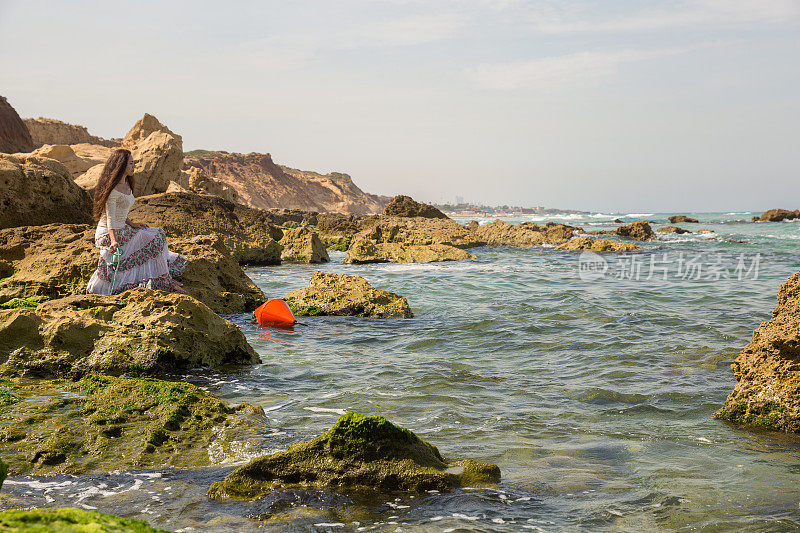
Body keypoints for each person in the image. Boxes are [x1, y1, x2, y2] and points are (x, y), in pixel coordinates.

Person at [86, 148, 188, 295]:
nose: (134, 167)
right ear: (121, 166)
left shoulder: (127, 183)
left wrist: (132, 224)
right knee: (155, 237)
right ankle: (164, 281)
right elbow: (110, 217)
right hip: (109, 233)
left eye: (134, 163)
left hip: (121, 228)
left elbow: (120, 212)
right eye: (130, 164)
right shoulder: (112, 190)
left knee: (158, 234)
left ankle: (164, 279)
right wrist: (114, 241)